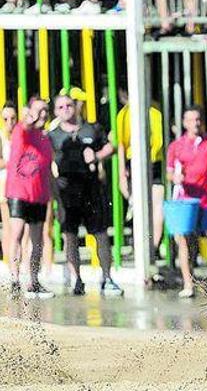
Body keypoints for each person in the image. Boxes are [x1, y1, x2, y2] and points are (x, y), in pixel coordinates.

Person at [47, 94, 124, 296]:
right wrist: (54, 187)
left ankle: (107, 278)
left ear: (76, 107)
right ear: (56, 111)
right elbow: (47, 162)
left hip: (91, 189)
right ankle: (77, 280)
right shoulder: (53, 135)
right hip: (67, 192)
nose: (66, 109)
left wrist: (97, 156)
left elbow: (111, 146)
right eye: (61, 107)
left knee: (100, 234)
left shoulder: (92, 128)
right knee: (70, 236)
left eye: (69, 105)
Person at [166, 105, 207, 298]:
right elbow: (169, 171)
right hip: (186, 202)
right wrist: (174, 178)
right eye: (191, 120)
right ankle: (188, 284)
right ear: (184, 123)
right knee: (185, 242)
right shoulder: (176, 146)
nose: (195, 123)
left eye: (198, 119)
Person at [4, 98, 55, 298]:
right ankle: (15, 280)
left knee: (37, 240)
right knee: (16, 233)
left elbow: (48, 170)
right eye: (38, 110)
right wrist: (30, 117)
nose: (42, 114)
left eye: (45, 110)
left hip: (39, 195)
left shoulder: (45, 139)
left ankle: (33, 281)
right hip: (19, 192)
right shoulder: (21, 131)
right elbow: (24, 125)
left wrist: (54, 195)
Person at [116, 89, 165, 260]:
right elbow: (158, 142)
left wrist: (123, 170)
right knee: (152, 206)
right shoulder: (151, 113)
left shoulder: (125, 114)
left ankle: (149, 247)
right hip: (145, 161)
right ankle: (150, 247)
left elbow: (121, 145)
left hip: (140, 161)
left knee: (147, 207)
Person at [0, 102, 17, 263]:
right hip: (4, 185)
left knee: (20, 227)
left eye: (12, 118)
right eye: (5, 119)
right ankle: (8, 261)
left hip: (21, 187)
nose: (9, 122)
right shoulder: (0, 137)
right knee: (8, 226)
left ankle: (21, 262)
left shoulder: (21, 135)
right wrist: (11, 162)